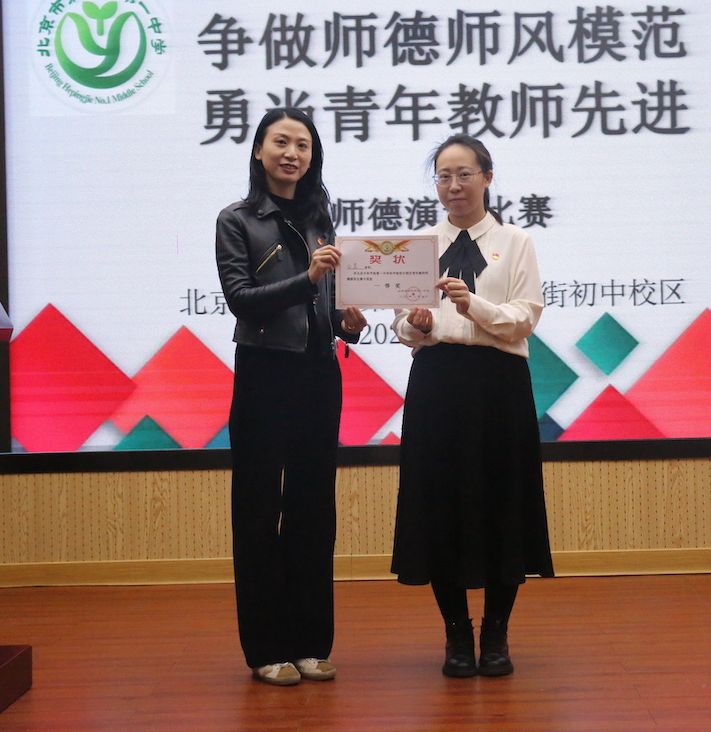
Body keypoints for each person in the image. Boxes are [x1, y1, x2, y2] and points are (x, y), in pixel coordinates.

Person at [391, 134, 553, 678]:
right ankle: (457, 636)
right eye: (443, 176)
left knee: (503, 503)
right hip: (437, 384)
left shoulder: (516, 240)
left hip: (498, 385)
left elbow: (525, 318)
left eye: (464, 174)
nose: (454, 185)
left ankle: (497, 635)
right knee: (440, 506)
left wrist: (471, 304)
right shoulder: (418, 246)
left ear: (487, 177)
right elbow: (403, 324)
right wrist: (415, 325)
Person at [215, 108, 367, 686]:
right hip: (263, 370)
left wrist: (347, 323)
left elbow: (325, 307)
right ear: (259, 150)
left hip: (318, 372)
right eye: (281, 142)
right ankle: (265, 648)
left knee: (313, 507)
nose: (292, 154)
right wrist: (307, 280)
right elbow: (240, 299)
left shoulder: (319, 218)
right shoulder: (237, 219)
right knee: (259, 508)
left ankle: (309, 642)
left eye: (303, 145)